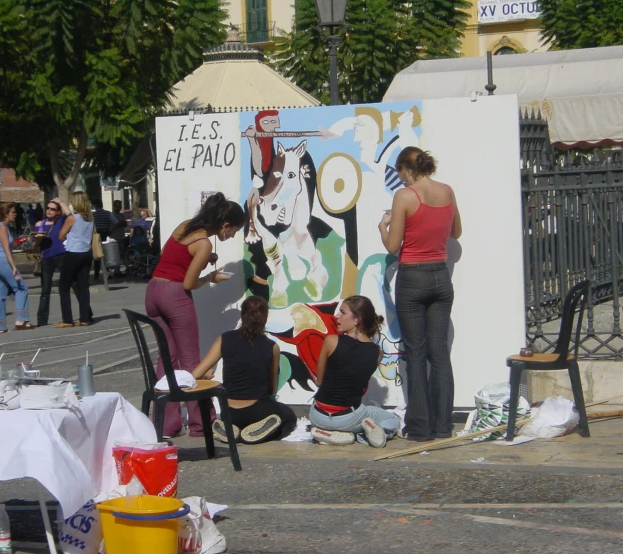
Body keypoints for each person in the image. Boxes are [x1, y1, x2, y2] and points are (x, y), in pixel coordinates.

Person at [145, 192, 245, 438]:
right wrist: (210, 277)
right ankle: (202, 423)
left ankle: (167, 423)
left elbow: (174, 258)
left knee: (166, 359)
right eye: (232, 231)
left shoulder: (185, 227)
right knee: (191, 360)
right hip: (174, 296)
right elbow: (188, 284)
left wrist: (203, 261)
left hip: (154, 291)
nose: (231, 236)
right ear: (224, 224)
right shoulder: (204, 243)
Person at [378, 147, 462, 441]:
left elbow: (392, 246)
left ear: (405, 168)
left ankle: (420, 428)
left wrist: (383, 227)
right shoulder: (447, 191)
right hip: (441, 276)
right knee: (440, 353)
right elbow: (457, 233)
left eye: (399, 172)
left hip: (412, 277)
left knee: (415, 354)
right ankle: (443, 426)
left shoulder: (405, 196)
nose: (399, 179)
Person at [191, 296, 297, 443]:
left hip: (229, 411)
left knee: (236, 416)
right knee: (288, 417)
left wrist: (206, 377)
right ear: (265, 318)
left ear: (242, 315)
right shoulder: (272, 347)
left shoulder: (224, 339)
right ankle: (258, 435)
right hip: (258, 410)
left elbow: (195, 374)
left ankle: (230, 429)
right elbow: (272, 388)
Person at [308, 295, 401, 448]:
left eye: (342, 312)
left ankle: (334, 434)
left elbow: (319, 381)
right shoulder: (377, 352)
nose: (337, 316)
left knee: (363, 412)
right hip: (348, 418)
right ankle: (360, 436)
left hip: (317, 415)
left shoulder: (331, 341)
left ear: (357, 319)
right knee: (393, 420)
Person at [0, 204, 34, 333]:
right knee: (21, 288)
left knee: (0, 293)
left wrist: (20, 241)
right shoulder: (2, 227)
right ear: (6, 213)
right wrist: (14, 267)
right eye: (13, 212)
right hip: (3, 261)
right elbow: (6, 249)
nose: (15, 214)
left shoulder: (3, 227)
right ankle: (21, 319)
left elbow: (9, 245)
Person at [35, 199, 80, 327]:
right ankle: (42, 321)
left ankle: (86, 313)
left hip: (61, 255)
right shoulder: (40, 223)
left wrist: (59, 201)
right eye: (47, 208)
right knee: (45, 289)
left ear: (58, 212)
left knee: (74, 283)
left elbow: (68, 213)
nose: (49, 210)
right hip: (46, 258)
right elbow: (34, 245)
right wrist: (38, 239)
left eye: (52, 209)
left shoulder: (61, 221)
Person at [55, 192, 94, 328]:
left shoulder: (72, 218)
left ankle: (67, 319)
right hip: (86, 252)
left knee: (64, 286)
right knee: (83, 286)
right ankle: (84, 318)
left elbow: (61, 235)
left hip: (73, 253)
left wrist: (68, 239)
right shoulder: (90, 218)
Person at [91, 197, 115, 280]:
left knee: (97, 255)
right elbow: (116, 222)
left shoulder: (93, 215)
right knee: (107, 255)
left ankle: (96, 274)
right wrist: (111, 230)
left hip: (96, 236)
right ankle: (109, 273)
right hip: (106, 234)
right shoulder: (108, 213)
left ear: (94, 205)